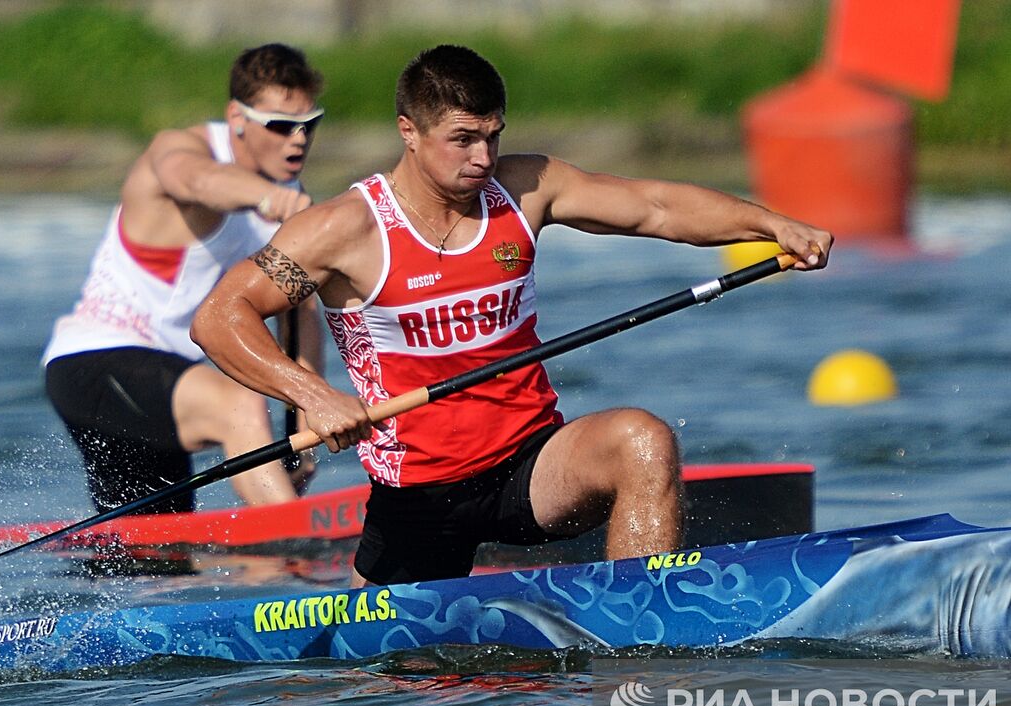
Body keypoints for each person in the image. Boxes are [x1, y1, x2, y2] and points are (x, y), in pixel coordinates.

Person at [192, 44, 832, 585]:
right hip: (420, 492)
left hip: (530, 463)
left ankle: (642, 620)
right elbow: (220, 316)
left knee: (643, 440)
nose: (482, 158)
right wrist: (313, 394)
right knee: (393, 689)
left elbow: (653, 207)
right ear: (408, 132)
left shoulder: (526, 188)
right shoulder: (345, 229)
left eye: (493, 136)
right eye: (463, 139)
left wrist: (770, 223)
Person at [42, 43, 326, 515]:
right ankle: (296, 546)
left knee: (148, 564)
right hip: (92, 364)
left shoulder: (289, 194)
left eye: (309, 124)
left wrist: (303, 427)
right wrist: (269, 199)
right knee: (238, 405)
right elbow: (196, 182)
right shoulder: (180, 150)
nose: (297, 139)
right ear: (237, 117)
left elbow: (301, 313)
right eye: (279, 125)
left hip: (170, 382)